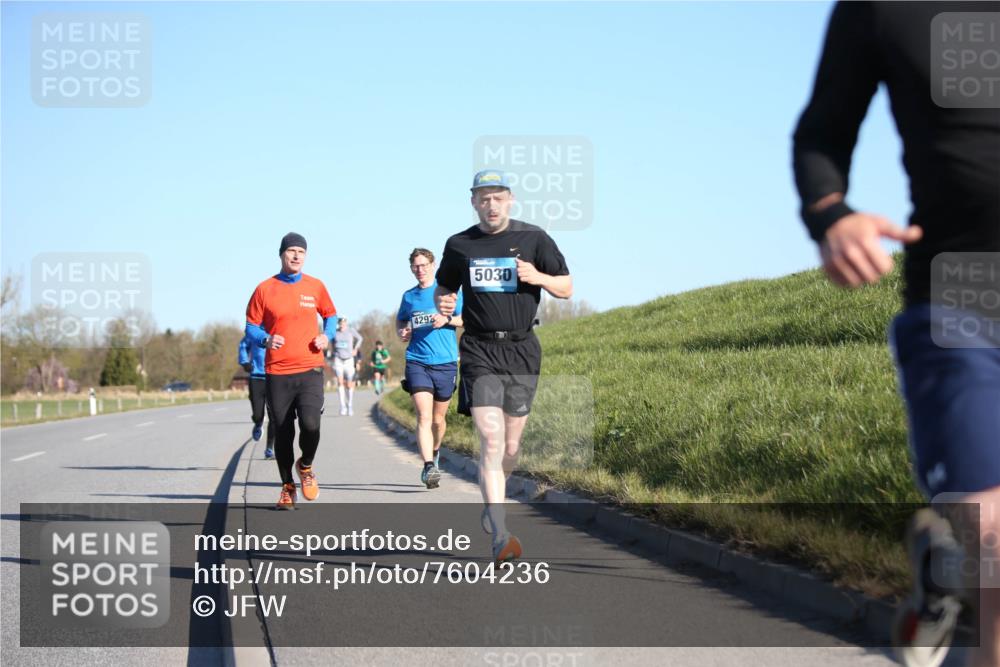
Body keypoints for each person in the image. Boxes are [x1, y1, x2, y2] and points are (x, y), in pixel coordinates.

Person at [792, 4, 999, 666]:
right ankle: (957, 555)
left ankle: (950, 564)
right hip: (958, 299)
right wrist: (832, 213)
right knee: (994, 528)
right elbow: (822, 132)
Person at [435, 169, 572, 563]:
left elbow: (567, 287)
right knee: (492, 441)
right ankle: (501, 533)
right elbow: (446, 287)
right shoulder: (459, 244)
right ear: (473, 201)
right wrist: (445, 302)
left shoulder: (534, 238)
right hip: (479, 349)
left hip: (522, 348)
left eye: (498, 197)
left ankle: (492, 500)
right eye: (483, 197)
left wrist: (539, 276)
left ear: (510, 199)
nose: (491, 204)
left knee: (511, 446)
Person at [245, 232, 337, 510]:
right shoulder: (265, 289)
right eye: (291, 251)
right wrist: (265, 339)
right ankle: (287, 487)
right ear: (282, 254)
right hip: (278, 372)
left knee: (311, 424)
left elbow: (331, 315)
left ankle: (305, 465)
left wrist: (327, 336)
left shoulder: (316, 286)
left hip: (310, 368)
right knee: (283, 432)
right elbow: (250, 326)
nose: (297, 256)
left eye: (301, 251)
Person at [396, 247, 464, 489]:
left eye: (424, 265)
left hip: (445, 362)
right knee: (424, 416)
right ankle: (427, 466)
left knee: (438, 419)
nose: (420, 270)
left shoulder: (448, 292)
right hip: (417, 360)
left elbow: (464, 318)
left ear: (433, 266)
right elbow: (401, 319)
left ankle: (435, 451)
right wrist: (402, 331)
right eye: (416, 266)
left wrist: (446, 319)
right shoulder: (409, 296)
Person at [238, 333, 275, 458]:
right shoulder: (255, 330)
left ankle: (269, 448)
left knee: (274, 415)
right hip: (256, 377)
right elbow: (243, 346)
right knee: (259, 414)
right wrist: (245, 362)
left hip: (274, 377)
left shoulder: (277, 327)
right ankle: (258, 423)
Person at [331, 317, 363, 415]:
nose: (342, 324)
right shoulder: (335, 332)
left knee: (349, 384)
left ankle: (350, 405)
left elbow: (360, 338)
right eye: (341, 322)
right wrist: (334, 352)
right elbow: (332, 343)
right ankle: (342, 406)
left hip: (349, 359)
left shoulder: (351, 331)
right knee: (340, 382)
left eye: (344, 322)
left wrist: (356, 348)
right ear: (338, 323)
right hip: (338, 359)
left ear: (346, 323)